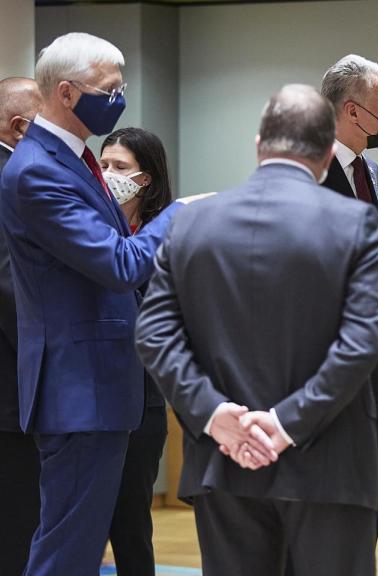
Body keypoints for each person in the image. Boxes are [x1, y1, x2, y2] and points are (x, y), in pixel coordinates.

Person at [135, 84, 378, 576]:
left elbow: (155, 334)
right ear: (323, 152)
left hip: (223, 461)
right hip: (329, 464)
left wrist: (214, 415)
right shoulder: (356, 224)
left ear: (258, 145)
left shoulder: (190, 224)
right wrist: (284, 423)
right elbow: (362, 344)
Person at [0, 33, 202, 576]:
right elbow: (119, 264)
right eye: (109, 88)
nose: (119, 98)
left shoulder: (76, 157)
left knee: (78, 546)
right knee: (67, 549)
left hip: (97, 386)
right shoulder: (38, 169)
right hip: (78, 387)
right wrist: (181, 212)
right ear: (66, 93)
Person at [320, 53, 378, 537]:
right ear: (352, 111)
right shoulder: (304, 169)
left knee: (369, 497)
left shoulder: (376, 176)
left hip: (376, 359)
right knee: (325, 500)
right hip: (322, 357)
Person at [99, 127, 174, 576]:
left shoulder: (167, 235)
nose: (108, 174)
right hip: (89, 396)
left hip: (142, 399)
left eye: (120, 167)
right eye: (103, 165)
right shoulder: (89, 227)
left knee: (130, 525)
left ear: (146, 180)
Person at [0, 75, 42, 576]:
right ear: (18, 127)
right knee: (18, 535)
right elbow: (11, 285)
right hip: (13, 389)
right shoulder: (12, 180)